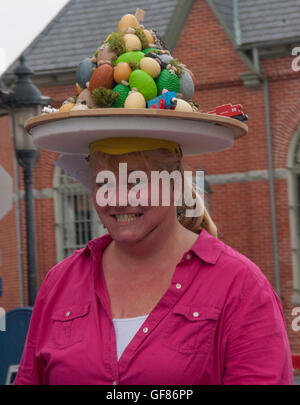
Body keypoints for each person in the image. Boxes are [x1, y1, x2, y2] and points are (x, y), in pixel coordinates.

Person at [14, 136, 293, 385]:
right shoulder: (61, 281)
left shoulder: (241, 287)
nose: (119, 200)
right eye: (104, 183)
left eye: (136, 181)